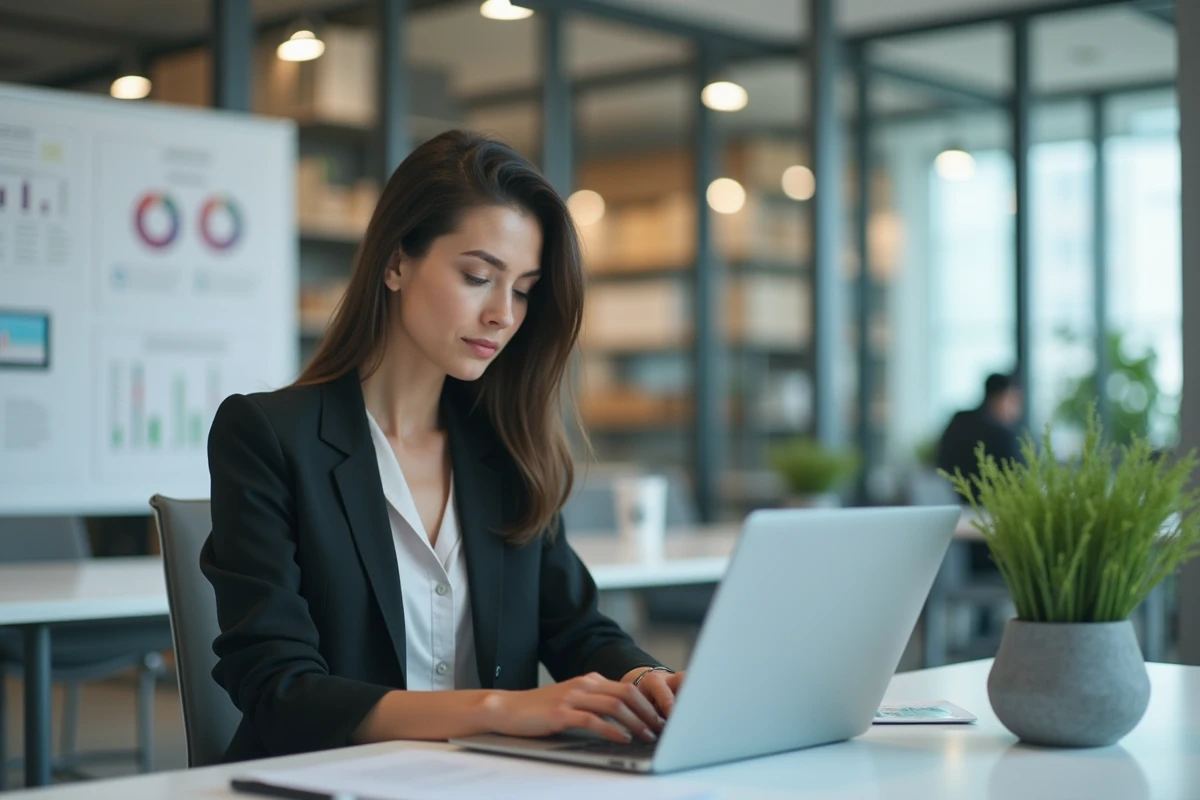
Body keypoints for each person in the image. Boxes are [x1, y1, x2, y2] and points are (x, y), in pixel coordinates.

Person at [201, 131, 683, 762]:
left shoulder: (505, 447)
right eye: (479, 276)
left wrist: (652, 683)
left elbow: (577, 628)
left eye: (523, 289)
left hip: (478, 781)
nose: (503, 315)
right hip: (326, 780)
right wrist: (501, 709)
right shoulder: (267, 435)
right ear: (396, 264)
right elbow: (278, 689)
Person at [936, 371, 1025, 491]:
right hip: (989, 505)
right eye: (1014, 401)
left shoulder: (959, 420)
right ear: (1001, 398)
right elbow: (1018, 480)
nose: (1017, 410)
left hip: (954, 502)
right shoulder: (1001, 436)